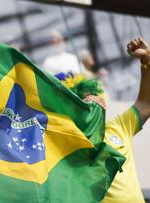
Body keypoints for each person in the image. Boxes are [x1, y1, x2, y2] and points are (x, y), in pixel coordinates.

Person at [61, 37, 149, 203]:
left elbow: (146, 102)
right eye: (82, 102)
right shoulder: (65, 143)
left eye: (95, 97)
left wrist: (146, 60)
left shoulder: (118, 127)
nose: (93, 103)